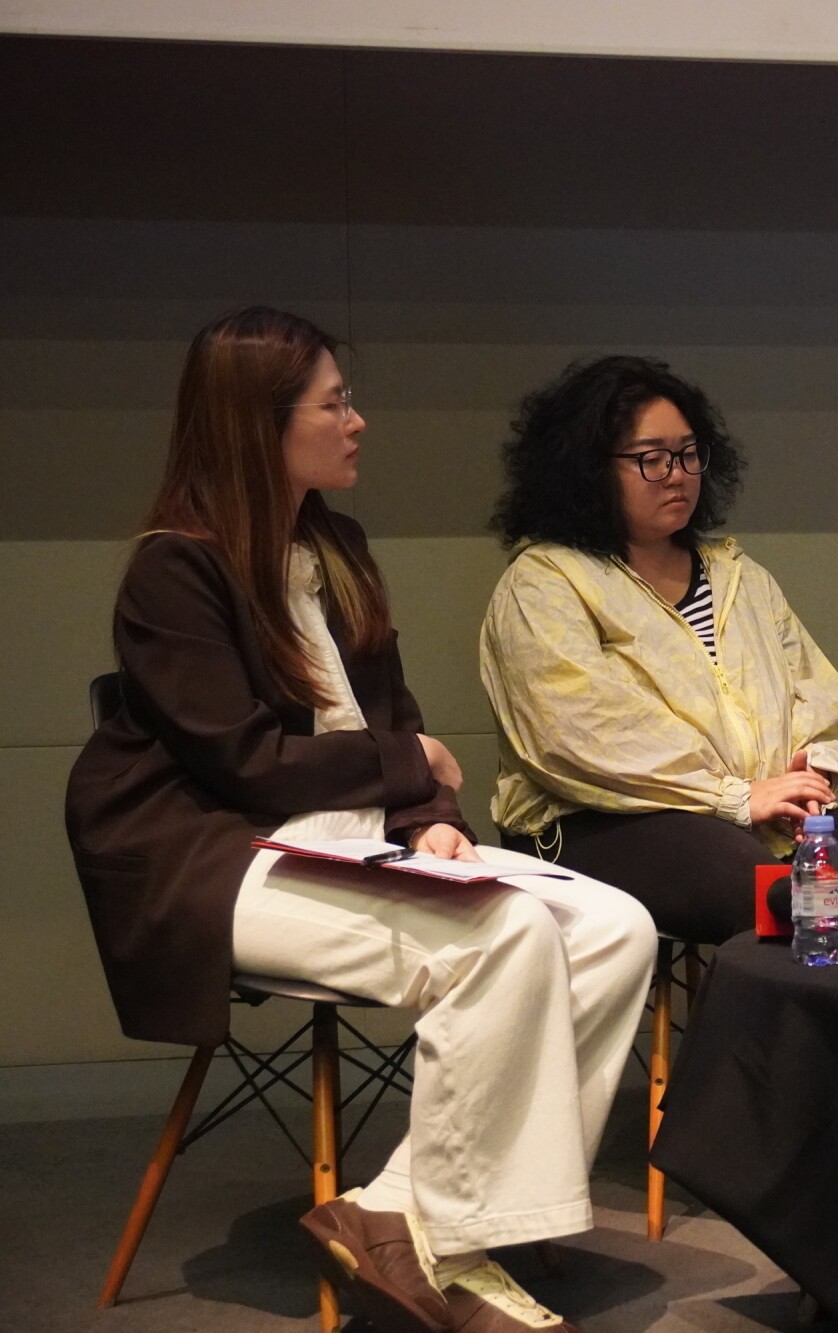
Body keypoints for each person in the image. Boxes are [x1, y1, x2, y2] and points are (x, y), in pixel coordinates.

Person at [65, 307, 657, 1333]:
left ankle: (409, 1218)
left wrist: (428, 813)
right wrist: (409, 767)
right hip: (217, 861)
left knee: (617, 926)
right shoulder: (175, 570)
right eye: (334, 403)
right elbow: (245, 760)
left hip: (350, 842)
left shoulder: (334, 545)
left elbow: (394, 715)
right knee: (506, 933)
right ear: (260, 424)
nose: (357, 421)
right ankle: (447, 1248)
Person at [480, 355, 838, 945]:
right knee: (789, 903)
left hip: (760, 815)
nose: (677, 475)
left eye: (689, 453)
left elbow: (816, 691)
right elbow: (577, 735)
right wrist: (735, 796)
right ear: (587, 468)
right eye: (652, 459)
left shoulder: (738, 574)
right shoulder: (546, 582)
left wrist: (809, 773)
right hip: (599, 823)